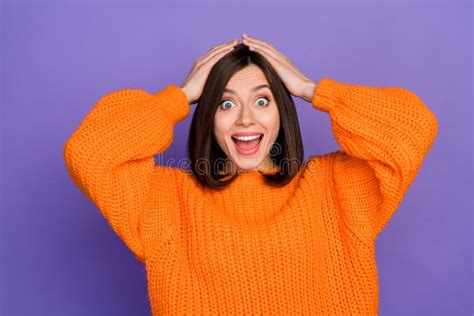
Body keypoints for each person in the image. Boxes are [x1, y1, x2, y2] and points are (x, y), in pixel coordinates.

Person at [63, 33, 439, 314]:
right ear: (208, 116)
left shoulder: (337, 187)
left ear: (282, 113)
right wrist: (180, 95)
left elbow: (414, 127)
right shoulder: (165, 200)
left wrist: (311, 89)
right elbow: (90, 151)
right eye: (226, 103)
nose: (246, 118)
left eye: (263, 100)